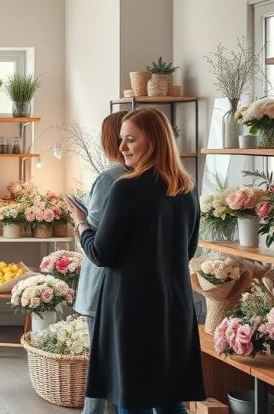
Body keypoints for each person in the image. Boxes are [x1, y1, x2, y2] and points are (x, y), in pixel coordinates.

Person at [69, 107, 205, 414]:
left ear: (154, 141)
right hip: (174, 306)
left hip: (130, 309)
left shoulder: (126, 188)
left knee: (132, 400)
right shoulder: (187, 189)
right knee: (170, 399)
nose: (122, 148)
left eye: (130, 140)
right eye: (121, 140)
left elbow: (100, 254)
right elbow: (187, 251)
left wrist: (81, 223)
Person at [73, 111, 126, 414]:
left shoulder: (110, 178)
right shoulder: (164, 176)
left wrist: (78, 220)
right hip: (131, 287)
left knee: (101, 360)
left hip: (102, 283)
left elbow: (95, 237)